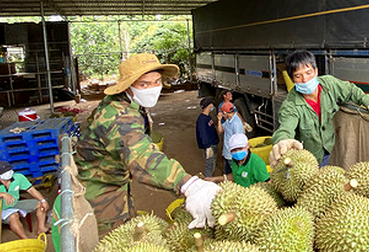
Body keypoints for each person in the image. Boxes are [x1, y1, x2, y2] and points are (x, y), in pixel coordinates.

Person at [75, 53, 221, 233]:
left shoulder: (130, 105)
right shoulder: (117, 116)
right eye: (143, 84)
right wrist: (187, 184)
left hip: (117, 182)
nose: (153, 88)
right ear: (128, 86)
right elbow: (142, 156)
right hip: (100, 191)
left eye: (157, 81)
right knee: (111, 246)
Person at [270, 50, 369, 167]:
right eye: (298, 76)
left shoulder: (329, 84)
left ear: (316, 71)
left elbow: (351, 90)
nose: (305, 80)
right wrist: (283, 141)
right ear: (292, 79)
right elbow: (286, 127)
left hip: (328, 148)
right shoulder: (290, 105)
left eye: (308, 73)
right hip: (306, 159)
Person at [0, 161, 50, 239]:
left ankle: (41, 228)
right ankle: (25, 240)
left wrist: (43, 200)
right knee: (13, 216)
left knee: (40, 204)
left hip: (14, 204)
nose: (9, 173)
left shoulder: (18, 177)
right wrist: (3, 194)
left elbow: (31, 190)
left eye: (9, 170)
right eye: (5, 172)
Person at [216, 101, 245, 176]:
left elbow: (238, 140)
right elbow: (220, 130)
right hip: (226, 153)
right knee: (227, 172)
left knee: (234, 174)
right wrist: (219, 120)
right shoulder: (229, 120)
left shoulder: (236, 123)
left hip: (232, 155)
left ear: (225, 112)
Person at [196, 97, 219, 177]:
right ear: (209, 106)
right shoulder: (202, 120)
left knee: (212, 164)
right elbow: (203, 134)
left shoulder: (207, 117)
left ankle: (210, 178)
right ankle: (208, 181)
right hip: (210, 145)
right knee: (209, 165)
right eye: (212, 105)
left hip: (213, 143)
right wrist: (207, 146)